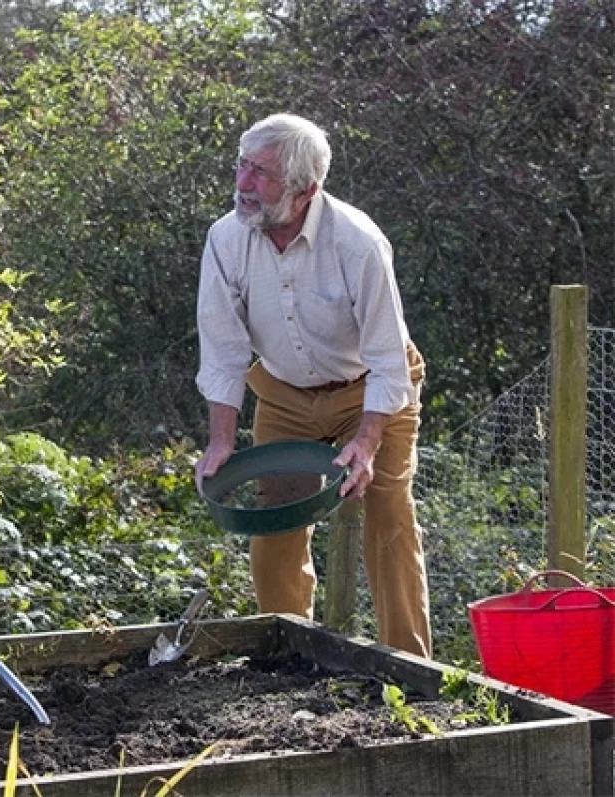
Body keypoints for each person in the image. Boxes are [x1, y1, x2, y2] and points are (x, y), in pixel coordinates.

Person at [194, 113, 432, 658]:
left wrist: (368, 443)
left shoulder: (357, 242)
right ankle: (287, 657)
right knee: (274, 519)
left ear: (306, 189)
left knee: (388, 510)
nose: (243, 184)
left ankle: (415, 670)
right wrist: (222, 439)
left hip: (370, 387)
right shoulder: (226, 239)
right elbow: (224, 348)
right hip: (283, 392)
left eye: (261, 174)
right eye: (242, 166)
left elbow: (388, 360)